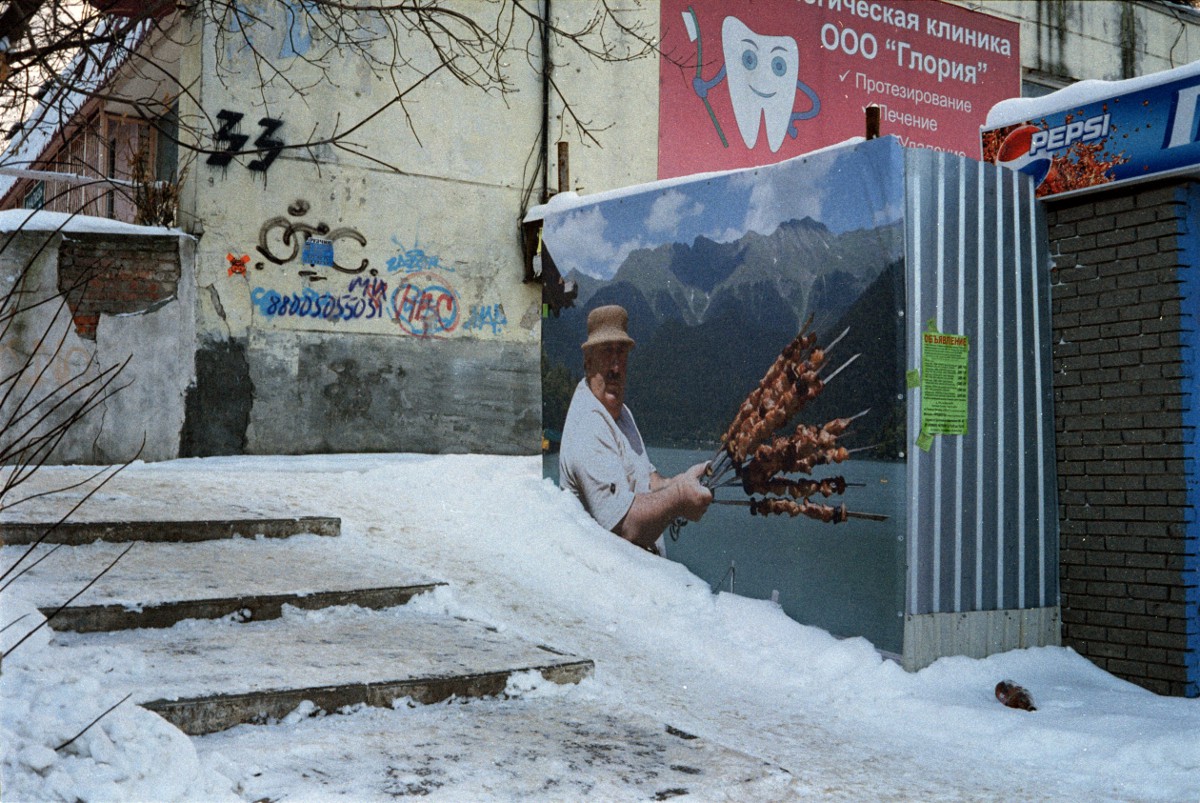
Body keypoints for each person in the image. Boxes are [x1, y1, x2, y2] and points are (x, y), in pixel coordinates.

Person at [558, 305, 713, 553]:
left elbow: (647, 480)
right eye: (607, 353)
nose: (616, 368)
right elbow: (627, 526)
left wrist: (681, 481)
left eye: (621, 354)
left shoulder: (621, 413)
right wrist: (680, 497)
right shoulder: (587, 425)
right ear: (588, 364)